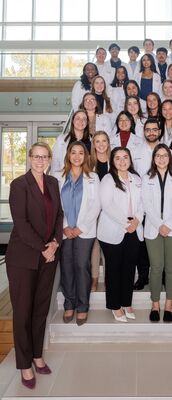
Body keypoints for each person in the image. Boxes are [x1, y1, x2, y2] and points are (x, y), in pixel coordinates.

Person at [6, 142, 63, 389]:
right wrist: (43, 248)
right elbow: (21, 223)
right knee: (23, 312)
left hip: (48, 256)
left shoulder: (52, 183)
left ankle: (37, 355)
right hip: (24, 258)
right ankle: (24, 364)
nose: (40, 160)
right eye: (36, 156)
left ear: (50, 159)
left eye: (44, 156)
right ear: (30, 158)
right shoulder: (19, 185)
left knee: (41, 309)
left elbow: (59, 215)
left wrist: (55, 244)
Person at [54, 141, 101, 326]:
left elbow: (96, 205)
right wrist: (65, 226)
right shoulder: (57, 176)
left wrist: (80, 227)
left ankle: (83, 306)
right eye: (73, 152)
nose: (77, 156)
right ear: (68, 155)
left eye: (81, 152)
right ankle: (69, 303)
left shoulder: (93, 177)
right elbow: (55, 204)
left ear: (86, 156)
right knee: (66, 266)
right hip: (64, 230)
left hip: (85, 230)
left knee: (81, 266)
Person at [97, 147, 144, 322]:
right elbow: (107, 205)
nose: (122, 161)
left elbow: (143, 203)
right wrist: (126, 223)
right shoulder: (108, 179)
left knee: (129, 269)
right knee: (114, 269)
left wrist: (137, 221)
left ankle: (126, 302)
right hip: (112, 230)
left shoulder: (137, 179)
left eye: (125, 157)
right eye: (118, 158)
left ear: (130, 160)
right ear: (112, 161)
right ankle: (114, 306)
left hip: (134, 229)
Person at [142, 144, 172, 322]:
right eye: (158, 155)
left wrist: (168, 224)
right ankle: (155, 304)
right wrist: (160, 224)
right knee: (156, 267)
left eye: (165, 155)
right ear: (153, 158)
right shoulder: (147, 178)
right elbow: (146, 203)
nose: (161, 158)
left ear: (170, 158)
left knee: (170, 267)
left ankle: (169, 304)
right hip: (153, 227)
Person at [89, 131, 111, 292]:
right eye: (97, 141)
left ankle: (109, 278)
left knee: (109, 244)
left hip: (111, 210)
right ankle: (95, 279)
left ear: (108, 143)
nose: (101, 144)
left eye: (104, 141)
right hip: (94, 210)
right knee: (95, 246)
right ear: (93, 144)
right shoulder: (88, 163)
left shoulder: (115, 160)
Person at [51, 110, 91, 174]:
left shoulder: (91, 140)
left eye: (84, 119)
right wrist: (55, 179)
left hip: (86, 177)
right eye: (78, 118)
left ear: (87, 123)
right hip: (65, 176)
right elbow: (55, 161)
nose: (81, 121)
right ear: (72, 121)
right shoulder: (62, 139)